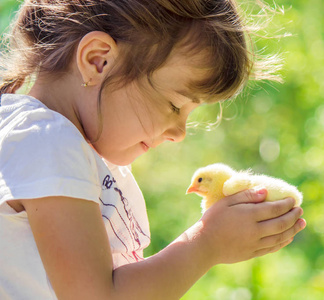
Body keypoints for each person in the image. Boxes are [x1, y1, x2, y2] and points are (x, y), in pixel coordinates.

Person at [0, 0, 306, 299]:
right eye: (174, 105)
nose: (179, 133)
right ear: (97, 61)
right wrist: (206, 244)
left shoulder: (57, 144)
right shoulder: (49, 141)